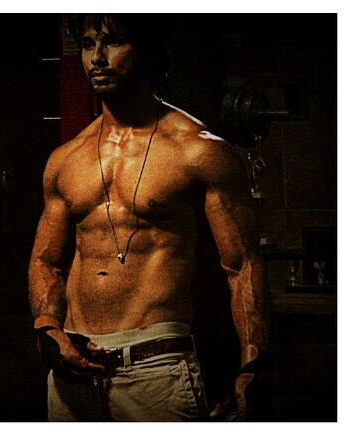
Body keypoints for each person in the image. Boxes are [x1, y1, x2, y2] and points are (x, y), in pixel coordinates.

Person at [28, 14, 272, 422]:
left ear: (149, 53)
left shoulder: (197, 150)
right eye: (87, 44)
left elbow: (242, 263)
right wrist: (48, 328)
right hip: (74, 370)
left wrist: (254, 363)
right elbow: (44, 260)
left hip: (155, 370)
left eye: (113, 41)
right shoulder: (65, 160)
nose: (97, 58)